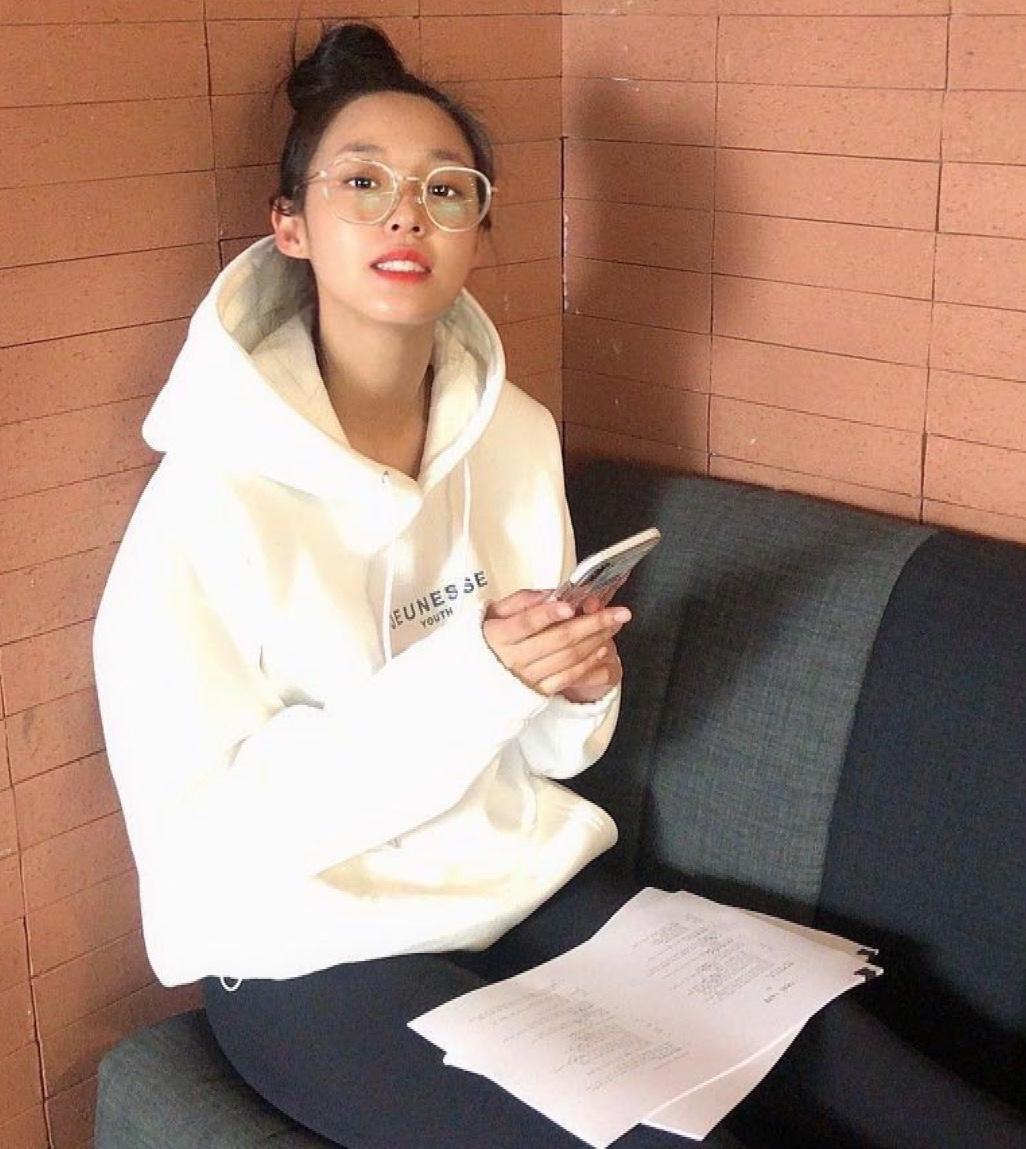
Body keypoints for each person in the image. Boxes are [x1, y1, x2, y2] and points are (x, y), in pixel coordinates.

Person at [93, 22, 748, 1149]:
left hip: (518, 887)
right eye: (363, 183)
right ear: (289, 225)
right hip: (309, 950)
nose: (407, 214)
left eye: (446, 190)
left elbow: (548, 755)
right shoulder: (208, 497)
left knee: (876, 1079)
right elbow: (210, 844)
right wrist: (481, 677)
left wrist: (573, 684)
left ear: (478, 234)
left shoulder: (516, 437)